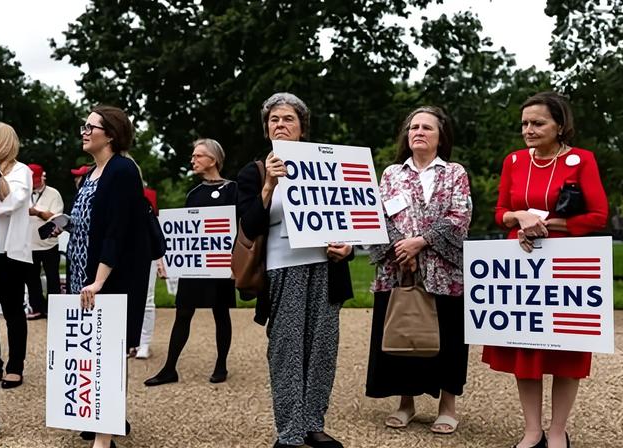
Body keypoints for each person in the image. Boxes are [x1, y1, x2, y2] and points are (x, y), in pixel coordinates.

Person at [483, 92, 608, 448]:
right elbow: (500, 211)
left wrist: (550, 225)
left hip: (566, 262)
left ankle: (557, 432)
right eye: (524, 123)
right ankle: (532, 430)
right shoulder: (514, 161)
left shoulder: (582, 160)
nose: (529, 130)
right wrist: (518, 217)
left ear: (559, 125)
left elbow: (597, 215)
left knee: (567, 347)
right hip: (521, 263)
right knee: (527, 347)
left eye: (538, 123)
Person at [236, 93, 353, 448]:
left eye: (288, 119)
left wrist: (347, 248)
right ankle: (289, 433)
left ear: (302, 128)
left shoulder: (328, 165)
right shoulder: (253, 172)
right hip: (282, 271)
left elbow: (349, 216)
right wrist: (269, 186)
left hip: (324, 269)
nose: (280, 125)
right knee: (286, 350)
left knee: (321, 349)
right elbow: (249, 224)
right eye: (274, 120)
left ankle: (313, 424)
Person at [365, 106, 472, 435]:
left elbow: (460, 215)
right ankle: (405, 402)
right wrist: (402, 249)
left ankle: (447, 407)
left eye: (427, 127)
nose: (419, 132)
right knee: (404, 332)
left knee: (450, 338)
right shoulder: (391, 174)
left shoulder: (454, 173)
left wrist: (421, 242)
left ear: (441, 137)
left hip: (445, 272)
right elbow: (380, 216)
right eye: (413, 127)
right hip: (399, 270)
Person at [65, 105, 151, 448]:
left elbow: (118, 229)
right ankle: (99, 418)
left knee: (108, 352)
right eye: (83, 125)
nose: (84, 131)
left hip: (110, 276)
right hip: (83, 271)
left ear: (111, 134)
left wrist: (100, 281)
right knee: (89, 351)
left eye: (91, 126)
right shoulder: (91, 173)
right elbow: (90, 222)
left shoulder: (123, 170)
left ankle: (104, 437)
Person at [145, 138, 237, 386]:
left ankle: (221, 364)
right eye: (193, 156)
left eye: (198, 155)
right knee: (183, 311)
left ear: (213, 160)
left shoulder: (233, 190)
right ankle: (169, 368)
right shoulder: (193, 194)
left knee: (221, 312)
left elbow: (237, 229)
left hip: (220, 263)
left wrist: (235, 264)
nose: (193, 160)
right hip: (195, 265)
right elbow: (186, 232)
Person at [0, 122, 33, 389]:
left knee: (13, 311)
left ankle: (15, 366)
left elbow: (8, 203)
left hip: (11, 253)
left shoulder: (21, 171)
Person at [25, 163, 64, 320]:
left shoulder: (53, 194)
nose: (34, 183)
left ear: (43, 177)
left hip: (49, 244)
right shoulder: (24, 192)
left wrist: (37, 212)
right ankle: (37, 307)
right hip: (29, 244)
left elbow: (55, 218)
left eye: (36, 179)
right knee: (31, 278)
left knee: (52, 277)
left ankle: (52, 308)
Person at [135, 185, 159, 360]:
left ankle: (144, 342)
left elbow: (155, 227)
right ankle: (131, 341)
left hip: (147, 252)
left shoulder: (148, 195)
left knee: (147, 298)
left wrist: (160, 260)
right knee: (126, 298)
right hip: (122, 254)